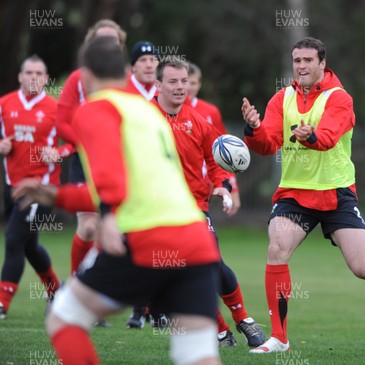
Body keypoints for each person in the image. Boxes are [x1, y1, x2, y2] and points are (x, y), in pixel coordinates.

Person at [14, 36, 222, 365]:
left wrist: (109, 215)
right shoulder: (147, 114)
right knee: (196, 355)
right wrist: (59, 195)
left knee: (62, 316)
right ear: (126, 71)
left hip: (145, 238)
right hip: (196, 242)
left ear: (84, 76)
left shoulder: (96, 109)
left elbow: (110, 177)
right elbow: (126, 183)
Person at [241, 36, 365, 353]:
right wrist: (253, 129)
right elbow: (268, 144)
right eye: (297, 60)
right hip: (294, 194)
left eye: (307, 60)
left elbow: (329, 136)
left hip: (336, 192)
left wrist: (311, 135)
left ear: (322, 63)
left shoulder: (340, 98)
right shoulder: (282, 98)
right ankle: (279, 338)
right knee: (276, 248)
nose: (301, 66)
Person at [152, 60, 265, 347]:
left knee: (212, 263)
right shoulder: (142, 118)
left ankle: (243, 319)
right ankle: (220, 329)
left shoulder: (198, 121)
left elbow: (219, 162)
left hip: (193, 207)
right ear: (158, 85)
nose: (180, 87)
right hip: (154, 210)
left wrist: (223, 186)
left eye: (184, 81)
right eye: (173, 81)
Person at [56, 19, 126, 278]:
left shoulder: (129, 83)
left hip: (117, 164)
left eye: (113, 42)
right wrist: (88, 142)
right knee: (88, 227)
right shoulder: (78, 79)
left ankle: (99, 291)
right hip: (84, 161)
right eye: (101, 41)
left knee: (110, 232)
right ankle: (76, 285)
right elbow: (61, 121)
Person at [0, 55, 64, 319]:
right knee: (29, 246)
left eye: (39, 73)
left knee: (14, 238)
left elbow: (76, 142)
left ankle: (2, 303)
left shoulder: (57, 108)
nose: (34, 77)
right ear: (20, 76)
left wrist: (58, 152)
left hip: (42, 190)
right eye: (29, 72)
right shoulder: (4, 104)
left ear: (47, 79)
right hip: (12, 186)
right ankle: (57, 292)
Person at [122, 40, 161, 329]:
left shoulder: (164, 92)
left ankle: (155, 308)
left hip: (160, 177)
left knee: (160, 242)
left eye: (153, 59)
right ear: (133, 65)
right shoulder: (122, 91)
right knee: (135, 242)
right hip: (129, 176)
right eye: (143, 59)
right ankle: (138, 307)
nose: (149, 63)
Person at [187, 63, 241, 216]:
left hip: (205, 185)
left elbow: (223, 152)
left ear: (200, 84)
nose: (189, 87)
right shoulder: (170, 110)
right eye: (186, 82)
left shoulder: (211, 112)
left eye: (193, 83)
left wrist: (233, 188)